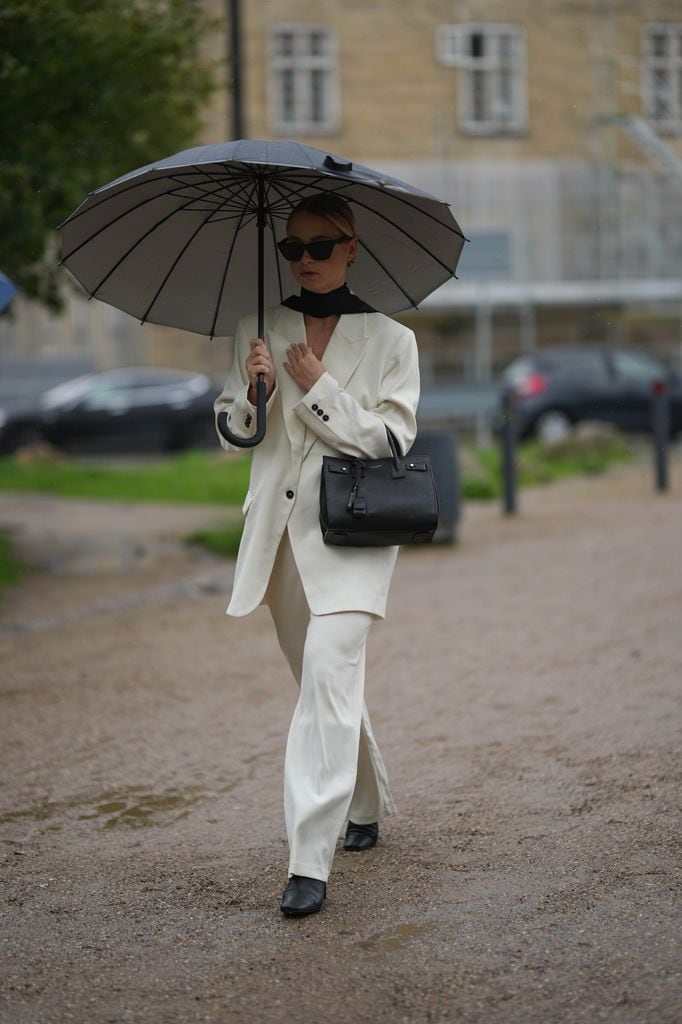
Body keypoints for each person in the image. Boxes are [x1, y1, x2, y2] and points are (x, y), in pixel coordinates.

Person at [214, 193, 419, 916]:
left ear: (352, 247)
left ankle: (309, 860)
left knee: (330, 676)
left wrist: (318, 388)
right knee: (321, 681)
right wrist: (254, 392)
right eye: (292, 248)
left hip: (355, 536)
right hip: (280, 542)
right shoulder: (256, 329)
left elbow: (392, 441)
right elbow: (234, 430)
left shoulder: (393, 339)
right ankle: (364, 800)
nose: (305, 258)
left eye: (321, 245)